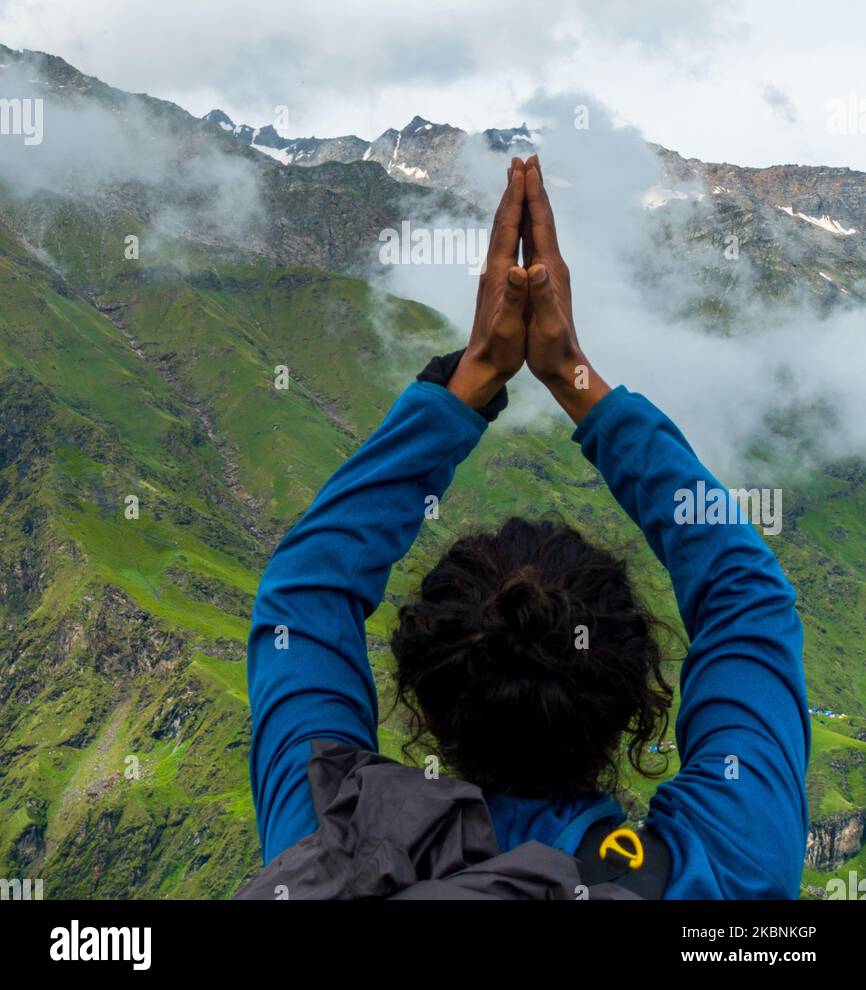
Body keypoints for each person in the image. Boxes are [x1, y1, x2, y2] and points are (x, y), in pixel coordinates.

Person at [242, 156, 809, 900]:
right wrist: (573, 375)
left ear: (424, 708)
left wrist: (469, 379)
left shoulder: (327, 849)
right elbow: (749, 604)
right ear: (632, 711)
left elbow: (300, 596)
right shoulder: (725, 879)